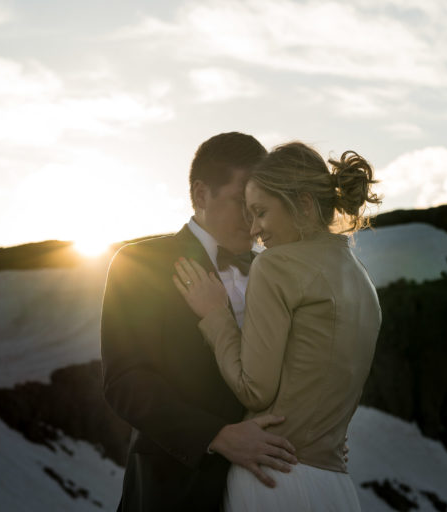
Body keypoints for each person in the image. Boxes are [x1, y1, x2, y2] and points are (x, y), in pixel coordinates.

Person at [173, 141, 382, 511]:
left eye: (261, 212)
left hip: (274, 475)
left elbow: (255, 390)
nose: (255, 229)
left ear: (302, 203)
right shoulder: (360, 276)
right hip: (335, 485)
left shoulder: (275, 265)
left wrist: (215, 315)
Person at [100, 132, 299, 512]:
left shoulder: (274, 271)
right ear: (200, 195)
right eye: (241, 202)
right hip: (173, 489)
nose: (252, 219)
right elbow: (124, 380)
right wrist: (217, 436)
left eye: (260, 205)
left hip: (268, 487)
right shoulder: (138, 263)